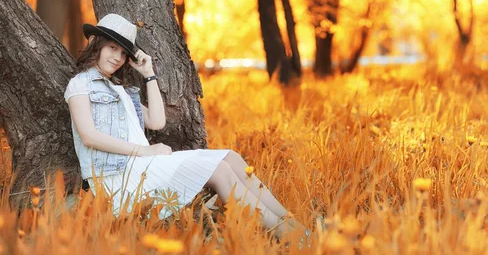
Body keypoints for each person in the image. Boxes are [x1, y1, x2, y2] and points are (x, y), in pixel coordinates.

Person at [64, 13, 308, 239]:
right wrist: (146, 151)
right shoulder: (80, 85)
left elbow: (157, 122)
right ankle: (291, 237)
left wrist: (148, 75)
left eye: (123, 53)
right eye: (112, 48)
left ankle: (296, 226)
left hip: (143, 166)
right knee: (220, 171)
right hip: (116, 178)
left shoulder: (122, 88)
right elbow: (89, 137)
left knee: (231, 158)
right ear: (96, 44)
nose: (117, 57)